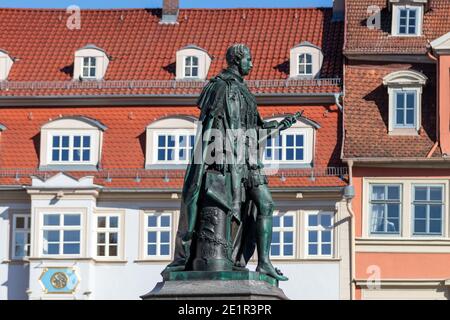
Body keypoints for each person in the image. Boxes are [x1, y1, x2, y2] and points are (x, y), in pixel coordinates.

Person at [163, 44, 297, 281]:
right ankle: (228, 258)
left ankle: (264, 263)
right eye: (249, 59)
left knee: (265, 205)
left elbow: (253, 127)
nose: (252, 64)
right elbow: (213, 126)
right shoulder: (220, 87)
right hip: (227, 160)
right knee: (235, 209)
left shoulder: (245, 92)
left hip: (249, 160)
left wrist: (278, 126)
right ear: (237, 60)